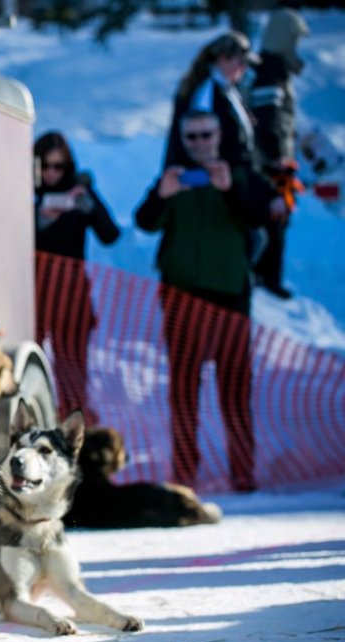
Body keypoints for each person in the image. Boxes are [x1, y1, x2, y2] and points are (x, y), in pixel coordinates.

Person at [136, 110, 269, 492]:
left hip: (230, 295)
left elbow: (260, 216)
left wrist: (230, 189)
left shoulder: (241, 174)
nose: (199, 143)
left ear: (218, 135)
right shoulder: (173, 178)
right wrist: (162, 195)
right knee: (183, 386)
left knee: (234, 387)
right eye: (191, 137)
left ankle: (243, 470)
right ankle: (184, 471)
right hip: (181, 296)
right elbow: (144, 221)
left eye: (205, 134)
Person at [33, 131, 120, 425]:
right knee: (32, 358)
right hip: (34, 290)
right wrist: (40, 220)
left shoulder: (79, 195)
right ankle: (35, 419)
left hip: (72, 293)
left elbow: (111, 235)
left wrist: (91, 207)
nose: (51, 174)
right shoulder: (26, 198)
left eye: (58, 167)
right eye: (44, 166)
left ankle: (73, 424)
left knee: (72, 366)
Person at [248, 5, 310, 299]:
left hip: (277, 161)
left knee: (278, 219)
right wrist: (278, 161)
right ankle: (266, 277)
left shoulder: (275, 70)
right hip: (272, 165)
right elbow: (268, 120)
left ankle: (268, 275)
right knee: (273, 221)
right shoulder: (269, 72)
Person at [164, 31, 260, 172]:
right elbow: (199, 147)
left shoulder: (225, 89)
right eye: (240, 62)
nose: (244, 68)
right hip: (212, 180)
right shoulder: (206, 92)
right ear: (222, 59)